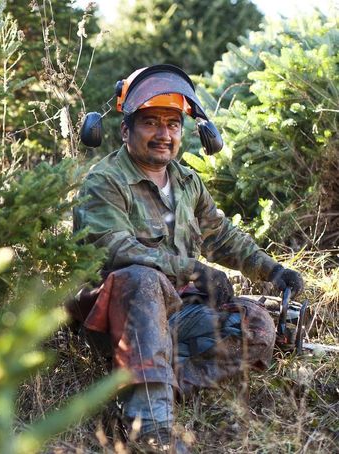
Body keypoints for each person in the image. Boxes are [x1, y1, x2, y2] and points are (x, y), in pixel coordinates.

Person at [69, 64, 304, 453]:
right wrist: (190, 268)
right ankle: (152, 429)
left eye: (173, 124)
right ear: (126, 129)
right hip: (119, 317)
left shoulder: (187, 182)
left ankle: (151, 382)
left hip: (178, 313)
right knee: (141, 278)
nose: (164, 134)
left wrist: (273, 270)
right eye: (150, 123)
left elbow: (222, 236)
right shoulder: (104, 181)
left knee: (255, 326)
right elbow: (111, 248)